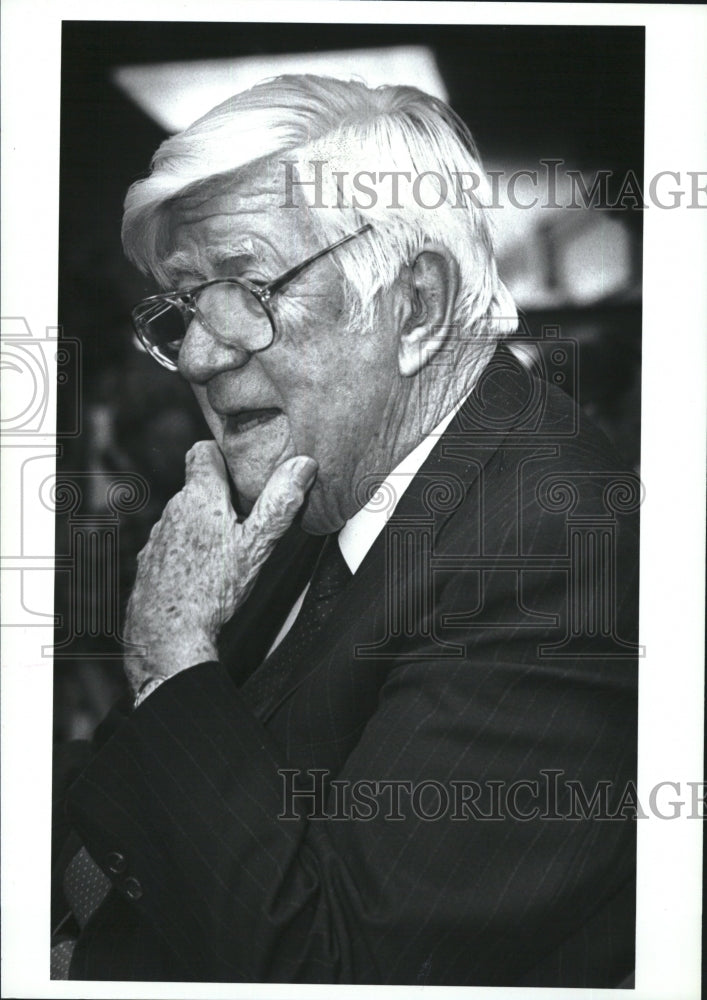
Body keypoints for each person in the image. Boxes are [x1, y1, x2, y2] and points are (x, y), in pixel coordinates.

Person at [52, 75, 639, 986]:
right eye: (185, 303)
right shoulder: (332, 469)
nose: (201, 356)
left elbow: (335, 963)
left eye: (246, 288)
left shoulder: (558, 547)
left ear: (415, 306)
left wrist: (170, 652)